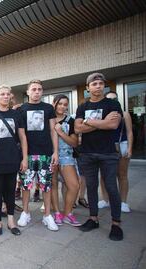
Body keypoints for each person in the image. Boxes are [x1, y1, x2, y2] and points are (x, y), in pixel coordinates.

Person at [75, 72, 124, 241]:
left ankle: (116, 223)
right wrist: (102, 123)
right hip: (87, 153)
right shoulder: (82, 106)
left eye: (100, 83)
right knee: (91, 186)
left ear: (104, 86)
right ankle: (93, 218)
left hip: (108, 153)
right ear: (88, 88)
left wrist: (88, 122)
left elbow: (113, 124)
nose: (98, 86)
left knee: (111, 187)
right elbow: (78, 129)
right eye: (94, 84)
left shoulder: (113, 104)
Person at [0, 85, 28, 236]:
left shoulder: (16, 115)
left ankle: (10, 221)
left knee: (10, 190)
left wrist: (25, 158)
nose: (5, 96)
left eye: (8, 94)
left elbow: (22, 137)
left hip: (13, 158)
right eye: (2, 94)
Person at [17, 79, 59, 231]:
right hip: (27, 154)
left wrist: (55, 152)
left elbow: (53, 131)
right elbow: (20, 135)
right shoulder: (21, 109)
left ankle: (47, 215)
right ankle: (25, 212)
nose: (36, 92)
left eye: (39, 89)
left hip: (45, 153)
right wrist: (23, 156)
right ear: (27, 92)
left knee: (46, 186)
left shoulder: (48, 108)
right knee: (26, 185)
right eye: (33, 89)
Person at [98, 91, 133, 213]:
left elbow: (129, 132)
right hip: (105, 146)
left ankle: (123, 202)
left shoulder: (124, 114)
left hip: (121, 145)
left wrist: (129, 148)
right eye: (109, 99)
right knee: (103, 175)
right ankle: (105, 200)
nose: (112, 101)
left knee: (122, 174)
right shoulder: (103, 115)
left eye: (115, 98)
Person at [50, 94, 81, 226]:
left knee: (74, 185)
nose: (62, 106)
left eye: (65, 104)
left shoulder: (70, 120)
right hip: (49, 156)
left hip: (66, 156)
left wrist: (61, 132)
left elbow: (74, 143)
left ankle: (68, 213)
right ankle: (57, 213)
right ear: (54, 103)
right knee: (53, 185)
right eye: (60, 103)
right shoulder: (48, 119)